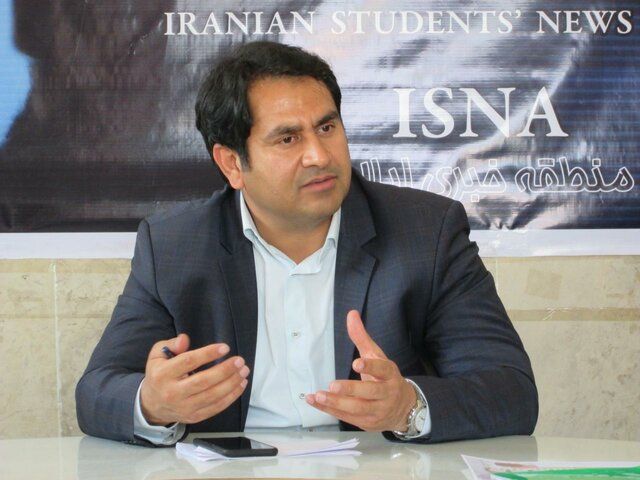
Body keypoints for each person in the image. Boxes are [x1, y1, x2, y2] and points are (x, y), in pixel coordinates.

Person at [76, 41, 538, 446]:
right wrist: (154, 403)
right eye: (287, 138)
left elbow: (512, 392)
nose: (318, 155)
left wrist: (407, 407)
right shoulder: (174, 245)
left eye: (327, 128)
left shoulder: (425, 232)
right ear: (232, 163)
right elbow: (96, 392)